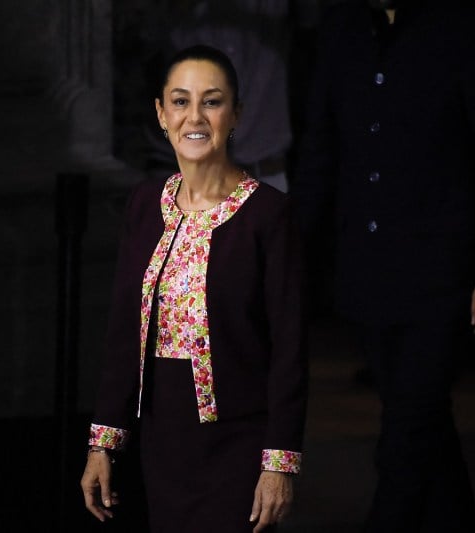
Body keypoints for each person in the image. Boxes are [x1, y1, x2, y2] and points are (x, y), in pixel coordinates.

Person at [292, 1, 475, 531]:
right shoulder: (342, 27)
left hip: (447, 276)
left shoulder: (468, 28)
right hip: (367, 269)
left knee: (404, 436)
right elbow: (321, 149)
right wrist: (291, 253)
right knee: (425, 427)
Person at [80, 44, 309, 533]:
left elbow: (290, 348)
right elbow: (123, 333)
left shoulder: (269, 214)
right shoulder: (145, 205)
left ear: (236, 114)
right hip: (160, 440)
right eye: (181, 101)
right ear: (161, 115)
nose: (195, 116)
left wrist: (279, 462)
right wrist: (103, 443)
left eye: (212, 100)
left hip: (239, 442)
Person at [139, 0, 319, 193]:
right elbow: (139, 42)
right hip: (185, 178)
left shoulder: (272, 8)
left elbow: (313, 19)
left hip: (264, 176)